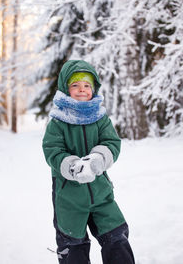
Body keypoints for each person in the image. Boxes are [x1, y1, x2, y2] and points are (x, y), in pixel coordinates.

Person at [42, 60, 135, 264]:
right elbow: (52, 151)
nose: (82, 90)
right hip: (69, 198)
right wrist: (73, 166)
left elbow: (111, 142)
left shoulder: (100, 118)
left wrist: (98, 159)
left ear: (93, 89)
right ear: (66, 89)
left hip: (101, 193)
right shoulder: (58, 122)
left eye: (86, 85)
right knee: (72, 247)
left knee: (116, 237)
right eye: (75, 85)